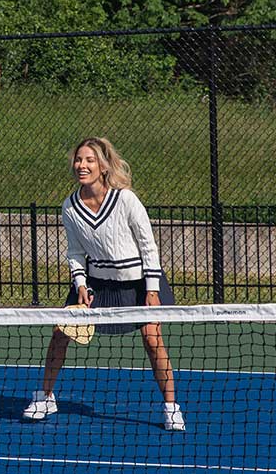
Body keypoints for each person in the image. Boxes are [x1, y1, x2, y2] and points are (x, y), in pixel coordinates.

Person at [22, 137, 186, 432]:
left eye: (89, 160)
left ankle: (171, 407)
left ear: (103, 166)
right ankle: (45, 397)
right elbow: (75, 252)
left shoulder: (126, 200)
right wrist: (80, 283)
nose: (82, 166)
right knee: (60, 333)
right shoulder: (70, 208)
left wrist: (151, 289)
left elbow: (148, 247)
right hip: (96, 284)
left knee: (152, 339)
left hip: (137, 284)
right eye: (78, 160)